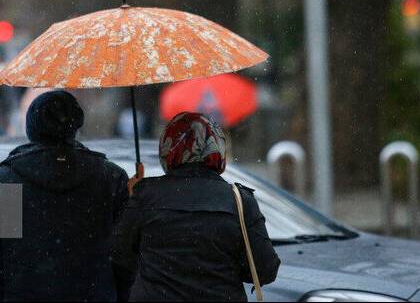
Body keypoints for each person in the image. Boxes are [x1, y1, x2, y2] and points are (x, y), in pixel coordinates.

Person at [113, 112, 280, 302]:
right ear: (217, 147)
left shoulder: (145, 195)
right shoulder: (238, 199)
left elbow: (120, 255)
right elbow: (266, 270)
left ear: (168, 149)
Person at [0, 90, 129, 302]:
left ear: (31, 126)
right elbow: (125, 253)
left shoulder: (8, 180)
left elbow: (6, 252)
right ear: (76, 125)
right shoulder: (111, 178)